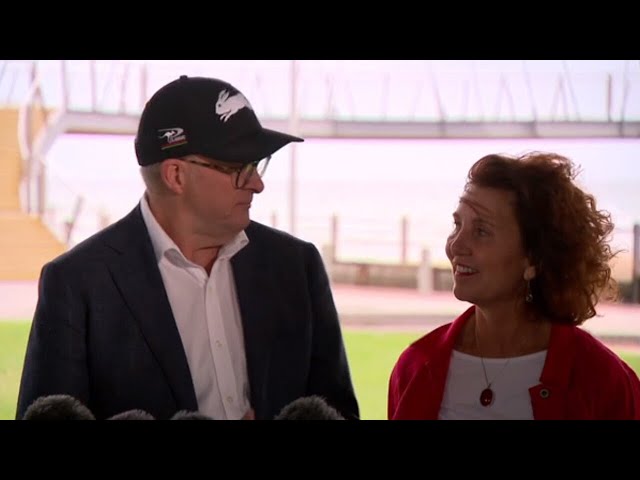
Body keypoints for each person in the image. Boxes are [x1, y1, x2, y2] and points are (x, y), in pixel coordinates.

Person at [16, 75, 360, 421]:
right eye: (240, 168)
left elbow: (338, 411)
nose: (258, 183)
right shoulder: (77, 284)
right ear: (176, 175)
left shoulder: (296, 267)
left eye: (257, 165)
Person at [388, 151, 640, 420]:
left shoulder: (604, 383)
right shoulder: (414, 368)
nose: (456, 245)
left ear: (534, 258)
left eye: (481, 231)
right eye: (457, 224)